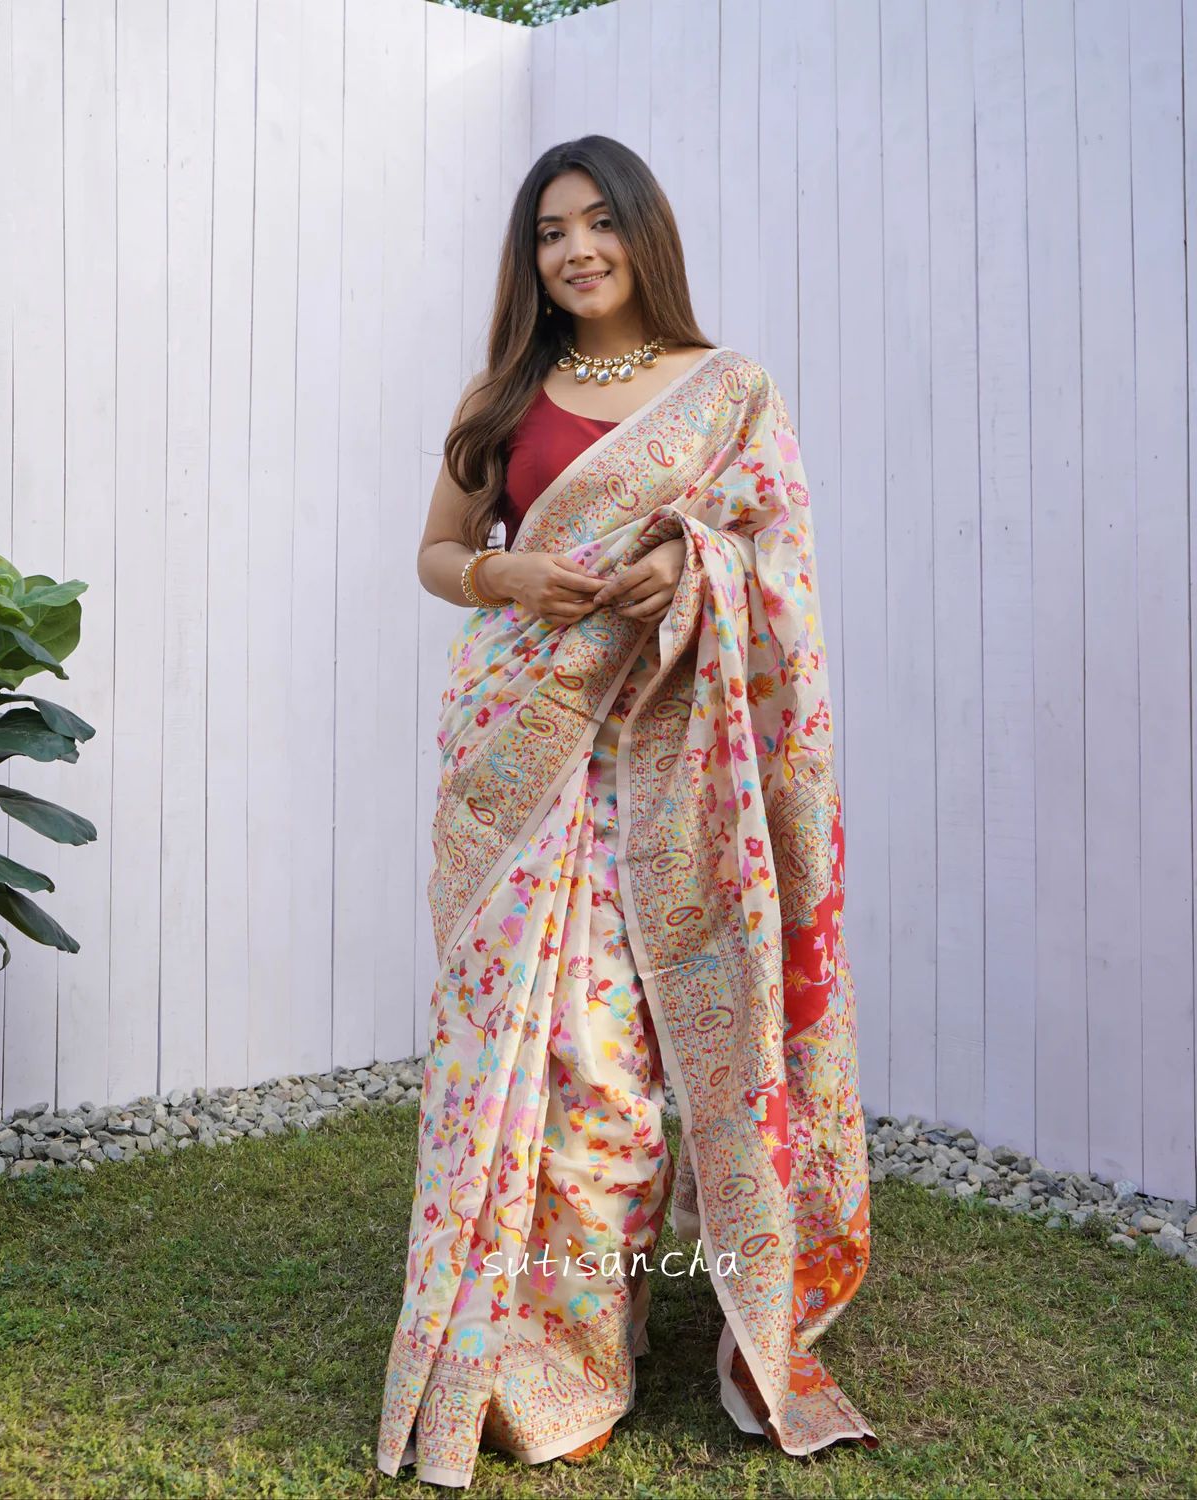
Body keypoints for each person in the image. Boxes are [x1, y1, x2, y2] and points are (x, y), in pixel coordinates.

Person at [375, 134, 877, 1489]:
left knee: (635, 1074)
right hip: (523, 768)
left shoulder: (727, 391)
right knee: (550, 1056)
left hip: (678, 765)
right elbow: (438, 553)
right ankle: (548, 1352)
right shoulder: (504, 394)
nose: (577, 250)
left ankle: (612, 1314)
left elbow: (776, 562)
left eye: (599, 222)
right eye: (551, 231)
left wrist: (696, 570)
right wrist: (507, 580)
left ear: (644, 232)